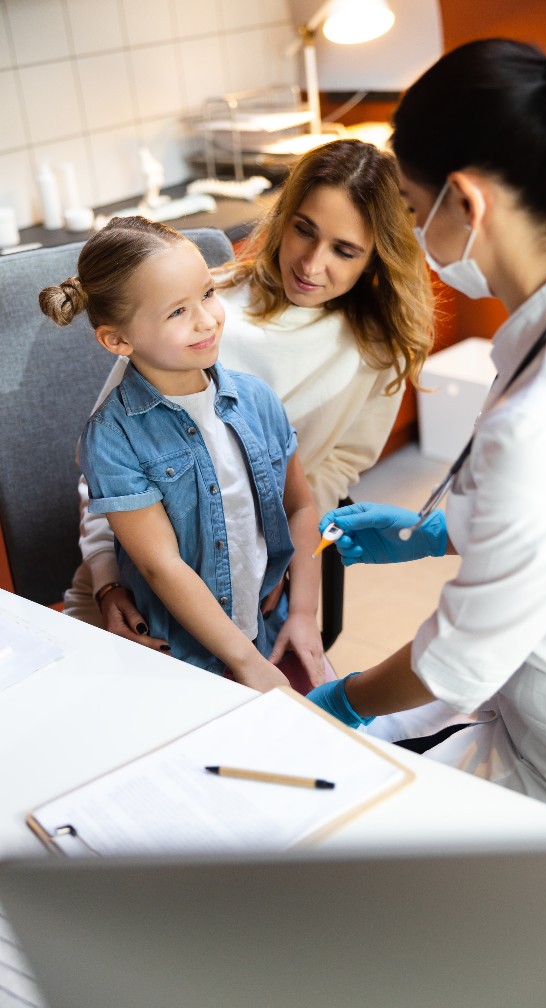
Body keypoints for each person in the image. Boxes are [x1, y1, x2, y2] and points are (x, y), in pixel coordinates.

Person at [307, 39, 546, 808]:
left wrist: (342, 702)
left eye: (409, 207)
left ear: (466, 204)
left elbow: (452, 665)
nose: (408, 231)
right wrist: (442, 529)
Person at [63, 139, 434, 659]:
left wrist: (277, 556)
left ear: (376, 260)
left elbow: (330, 473)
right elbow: (102, 476)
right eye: (303, 229)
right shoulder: (202, 313)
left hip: (258, 577)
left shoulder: (380, 348)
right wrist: (107, 581)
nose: (310, 262)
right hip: (136, 577)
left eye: (344, 250)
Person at [40, 216, 324, 693]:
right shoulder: (112, 436)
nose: (206, 319)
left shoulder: (256, 400)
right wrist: (246, 663)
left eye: (208, 294)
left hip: (265, 627)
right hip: (179, 657)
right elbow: (160, 565)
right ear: (118, 340)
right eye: (177, 312)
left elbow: (300, 505)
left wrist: (303, 613)